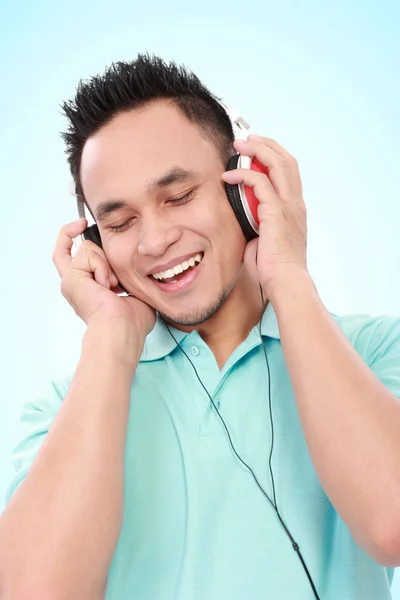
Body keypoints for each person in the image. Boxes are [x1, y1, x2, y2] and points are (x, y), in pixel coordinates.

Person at [0, 53, 400, 600]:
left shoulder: (376, 351)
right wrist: (112, 336)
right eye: (119, 222)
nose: (153, 241)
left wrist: (288, 276)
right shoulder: (65, 408)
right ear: (96, 244)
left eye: (180, 196)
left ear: (246, 191)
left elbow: (393, 524)